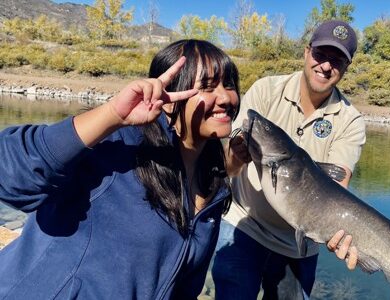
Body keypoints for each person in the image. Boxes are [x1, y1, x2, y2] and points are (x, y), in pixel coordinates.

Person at [0, 39, 240, 299]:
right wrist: (112, 115)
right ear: (169, 98)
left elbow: (183, 286)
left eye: (229, 85)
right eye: (207, 86)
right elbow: (11, 175)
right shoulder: (118, 147)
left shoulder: (213, 186)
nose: (226, 97)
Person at [212, 20, 366, 299]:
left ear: (346, 68)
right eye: (320, 54)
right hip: (243, 223)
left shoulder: (351, 121)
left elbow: (338, 186)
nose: (326, 66)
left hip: (299, 244)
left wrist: (341, 233)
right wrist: (236, 153)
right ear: (306, 53)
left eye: (337, 60)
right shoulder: (265, 91)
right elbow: (228, 168)